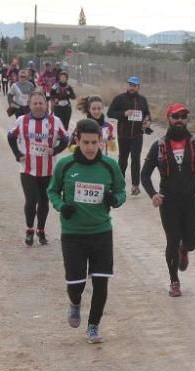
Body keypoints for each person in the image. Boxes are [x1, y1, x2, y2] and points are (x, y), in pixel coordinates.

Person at [48, 119, 127, 344]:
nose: (91, 148)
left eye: (95, 142)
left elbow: (121, 191)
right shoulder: (65, 165)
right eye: (86, 142)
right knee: (76, 283)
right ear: (77, 140)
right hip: (73, 234)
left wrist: (115, 199)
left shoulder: (109, 166)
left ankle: (93, 326)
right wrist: (62, 206)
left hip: (101, 232)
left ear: (101, 142)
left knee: (101, 281)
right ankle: (74, 303)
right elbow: (52, 191)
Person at [141, 103, 195, 297]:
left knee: (190, 243)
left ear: (187, 119)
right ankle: (174, 281)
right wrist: (153, 195)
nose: (179, 120)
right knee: (172, 241)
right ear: (168, 118)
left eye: (183, 117)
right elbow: (145, 174)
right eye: (175, 117)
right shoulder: (159, 146)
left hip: (191, 200)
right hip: (168, 202)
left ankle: (185, 250)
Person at [7, 91, 69, 246]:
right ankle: (29, 230)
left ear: (46, 104)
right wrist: (17, 154)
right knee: (31, 200)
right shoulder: (22, 120)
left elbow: (66, 139)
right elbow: (11, 136)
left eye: (41, 103)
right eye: (35, 103)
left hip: (48, 169)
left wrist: (54, 150)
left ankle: (41, 230)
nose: (38, 106)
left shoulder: (55, 121)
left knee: (44, 201)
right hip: (28, 168)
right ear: (30, 105)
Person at [107, 76, 152, 196]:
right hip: (123, 135)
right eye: (130, 85)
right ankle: (119, 185)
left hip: (137, 135)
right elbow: (110, 113)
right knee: (122, 160)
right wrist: (124, 113)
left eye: (135, 85)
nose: (132, 87)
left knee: (136, 159)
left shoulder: (142, 100)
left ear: (138, 87)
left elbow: (147, 114)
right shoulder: (120, 99)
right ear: (127, 86)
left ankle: (135, 185)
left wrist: (147, 121)